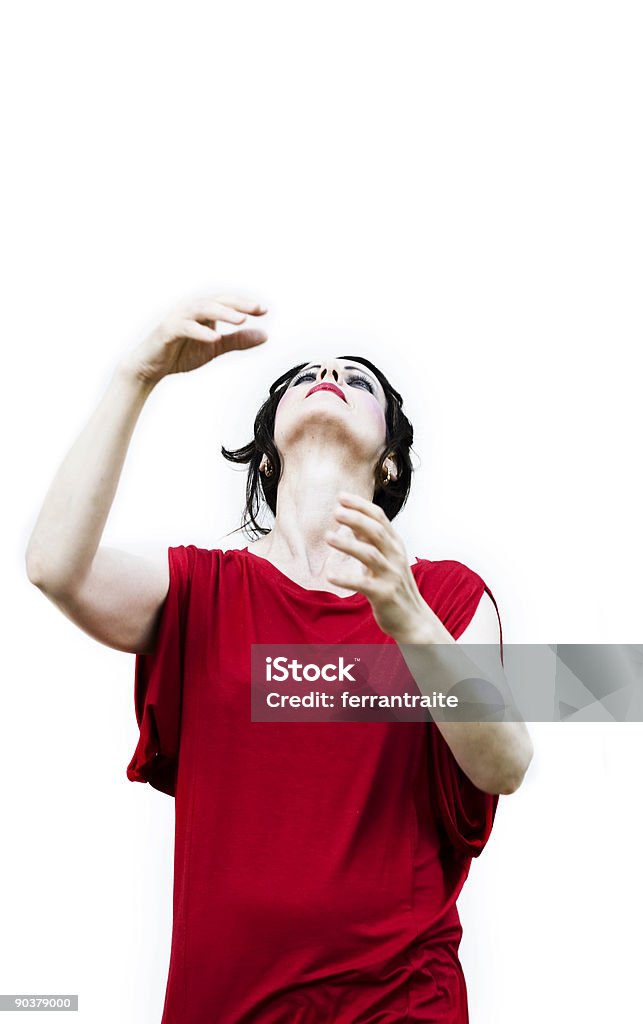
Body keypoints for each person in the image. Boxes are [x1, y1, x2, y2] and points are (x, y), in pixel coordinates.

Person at [25, 291, 534, 1023]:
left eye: (359, 381)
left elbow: (503, 765)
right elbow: (54, 568)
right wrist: (136, 375)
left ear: (389, 459)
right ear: (266, 453)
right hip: (225, 1003)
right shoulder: (202, 590)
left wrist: (409, 623)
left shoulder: (446, 595)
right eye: (304, 376)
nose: (329, 373)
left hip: (400, 997)